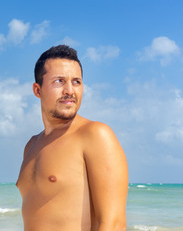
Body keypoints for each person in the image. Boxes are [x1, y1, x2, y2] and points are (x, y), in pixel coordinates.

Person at [16, 45, 128, 231]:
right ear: (37, 90)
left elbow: (113, 223)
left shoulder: (95, 135)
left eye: (76, 82)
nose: (70, 90)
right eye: (59, 81)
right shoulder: (31, 145)